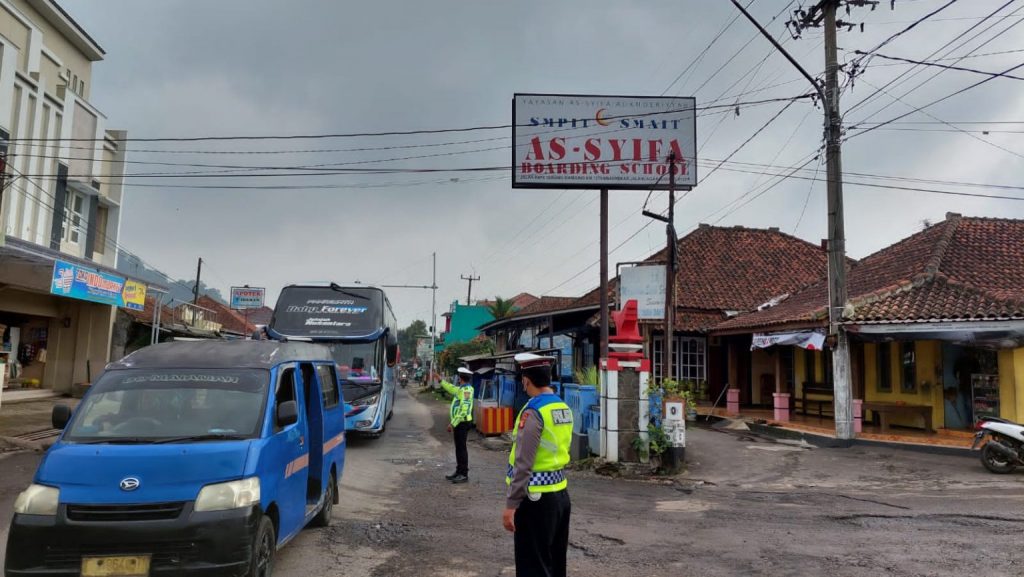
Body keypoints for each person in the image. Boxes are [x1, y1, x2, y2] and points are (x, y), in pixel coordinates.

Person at [503, 353, 573, 577]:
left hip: (535, 500)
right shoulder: (562, 407)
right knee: (554, 563)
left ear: (526, 380)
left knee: (533, 566)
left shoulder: (533, 412)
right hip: (560, 496)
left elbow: (524, 463)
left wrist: (511, 505)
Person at [440, 367, 475, 484]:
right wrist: (441, 381)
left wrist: (453, 423)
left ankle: (463, 474)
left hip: (462, 423)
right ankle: (459, 471)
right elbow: (451, 388)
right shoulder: (462, 389)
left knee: (461, 449)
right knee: (459, 448)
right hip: (460, 423)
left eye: (459, 377)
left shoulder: (466, 391)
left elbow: (464, 410)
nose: (458, 379)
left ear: (460, 378)